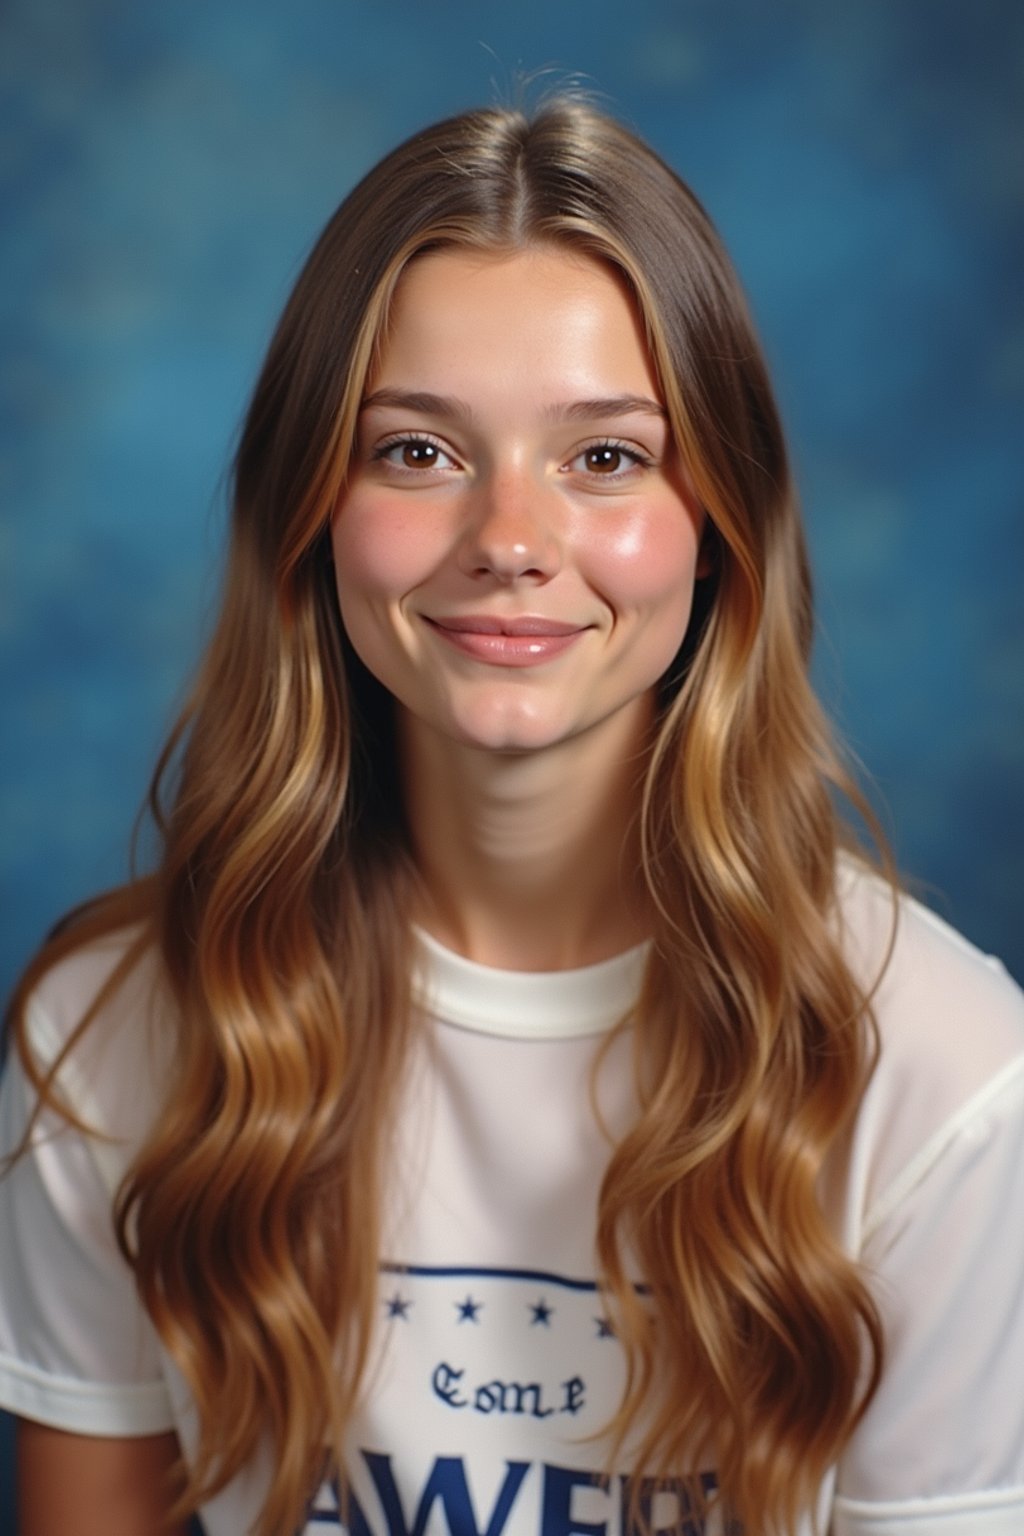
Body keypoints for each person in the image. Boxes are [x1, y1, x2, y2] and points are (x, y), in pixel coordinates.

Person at [1, 97, 1022, 1536]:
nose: (511, 543)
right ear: (310, 506)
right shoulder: (106, 1036)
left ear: (719, 522)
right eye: (417, 452)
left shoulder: (947, 1082)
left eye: (604, 458)